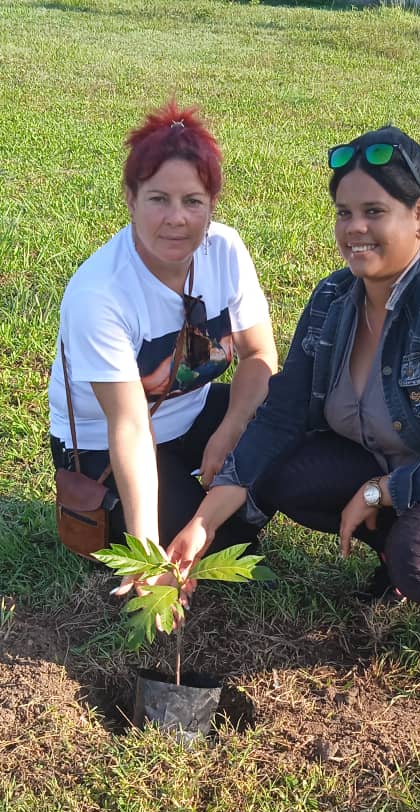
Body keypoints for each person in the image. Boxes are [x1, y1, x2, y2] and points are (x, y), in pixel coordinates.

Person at [164, 125, 420, 692]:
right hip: (418, 473)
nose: (355, 228)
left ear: (419, 215)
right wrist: (200, 527)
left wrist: (382, 490)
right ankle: (396, 559)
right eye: (344, 212)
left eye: (374, 211)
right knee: (285, 472)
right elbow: (279, 420)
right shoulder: (335, 300)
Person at [49, 100, 277, 553]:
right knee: (211, 539)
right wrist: (148, 554)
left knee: (295, 430)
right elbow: (129, 427)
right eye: (158, 199)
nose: (177, 218)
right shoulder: (101, 292)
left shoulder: (225, 251)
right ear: (131, 200)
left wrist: (230, 428)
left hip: (193, 414)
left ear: (212, 205)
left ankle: (227, 499)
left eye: (193, 201)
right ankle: (219, 510)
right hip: (107, 444)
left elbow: (260, 357)